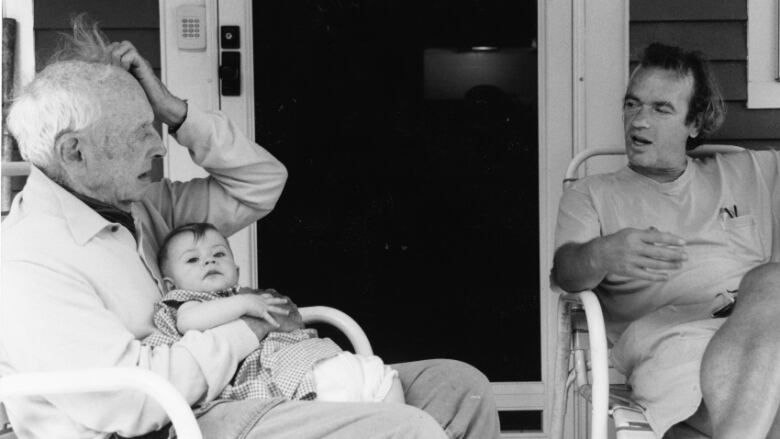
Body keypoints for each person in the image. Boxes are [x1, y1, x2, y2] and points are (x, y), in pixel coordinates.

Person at [0, 16, 499, 439]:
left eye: (155, 125)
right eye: (140, 132)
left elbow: (261, 183)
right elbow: (130, 402)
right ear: (74, 152)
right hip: (173, 423)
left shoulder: (139, 205)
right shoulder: (29, 260)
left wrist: (177, 112)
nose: (159, 146)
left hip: (243, 386)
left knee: (456, 387)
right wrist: (248, 326)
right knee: (403, 431)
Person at [552, 42, 780, 438]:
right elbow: (566, 273)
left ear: (695, 123)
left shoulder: (747, 172)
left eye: (660, 109)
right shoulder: (592, 193)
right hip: (670, 338)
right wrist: (604, 253)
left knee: (769, 282)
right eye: (632, 105)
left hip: (760, 327)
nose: (639, 121)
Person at [145, 222, 404, 404]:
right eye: (192, 259)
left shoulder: (244, 294)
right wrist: (244, 304)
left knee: (383, 378)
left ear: (236, 270)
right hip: (286, 374)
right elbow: (189, 322)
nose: (209, 261)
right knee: (352, 387)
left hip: (310, 358)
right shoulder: (187, 301)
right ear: (171, 284)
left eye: (219, 254)